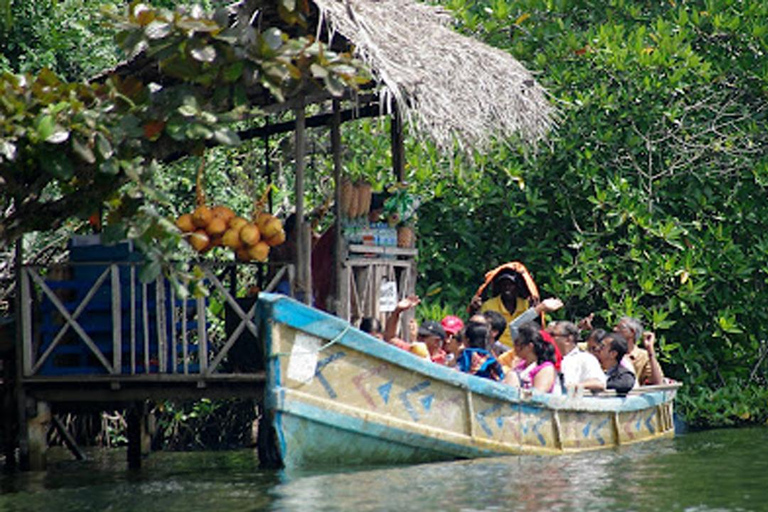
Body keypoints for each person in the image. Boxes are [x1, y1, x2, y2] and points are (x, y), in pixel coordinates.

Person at [549, 320, 606, 393]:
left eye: (553, 335)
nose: (549, 338)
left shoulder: (585, 359)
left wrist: (577, 386)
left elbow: (599, 383)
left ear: (568, 339)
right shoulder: (548, 358)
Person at [502, 322, 558, 393]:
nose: (515, 348)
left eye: (518, 344)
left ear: (530, 346)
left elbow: (538, 395)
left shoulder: (546, 368)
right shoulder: (521, 364)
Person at [614, 317, 664, 386]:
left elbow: (658, 382)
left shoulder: (643, 356)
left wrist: (650, 350)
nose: (615, 330)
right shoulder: (609, 353)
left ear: (632, 332)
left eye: (621, 328)